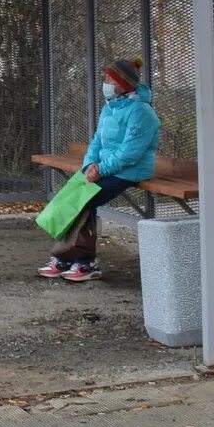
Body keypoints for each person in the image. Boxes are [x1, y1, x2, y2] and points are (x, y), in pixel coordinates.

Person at [38, 55, 160, 282]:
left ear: (123, 84)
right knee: (70, 195)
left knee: (85, 200)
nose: (106, 83)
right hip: (103, 168)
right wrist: (88, 165)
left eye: (110, 79)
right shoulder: (110, 108)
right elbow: (96, 142)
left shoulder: (141, 112)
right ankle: (65, 259)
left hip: (129, 171)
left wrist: (100, 170)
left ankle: (85, 263)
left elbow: (129, 154)